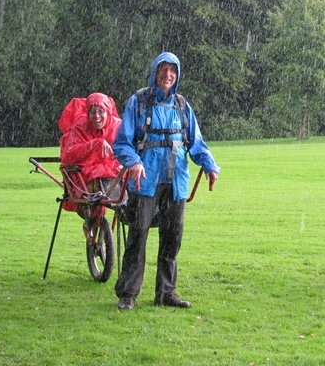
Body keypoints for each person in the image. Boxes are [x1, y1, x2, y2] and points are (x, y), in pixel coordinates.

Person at [112, 52, 220, 310]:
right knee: (137, 238)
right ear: (155, 72)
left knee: (173, 238)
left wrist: (209, 165)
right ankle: (128, 293)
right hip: (145, 181)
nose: (168, 75)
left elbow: (196, 142)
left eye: (173, 71)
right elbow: (122, 143)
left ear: (178, 74)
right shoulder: (137, 102)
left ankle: (165, 293)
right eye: (164, 70)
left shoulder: (182, 106)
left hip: (176, 183)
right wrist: (134, 162)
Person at [58, 92, 123, 220]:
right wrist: (95, 144)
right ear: (87, 113)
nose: (97, 116)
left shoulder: (117, 126)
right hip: (83, 177)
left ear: (108, 112)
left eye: (101, 111)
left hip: (113, 177)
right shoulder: (79, 127)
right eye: (93, 112)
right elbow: (69, 155)